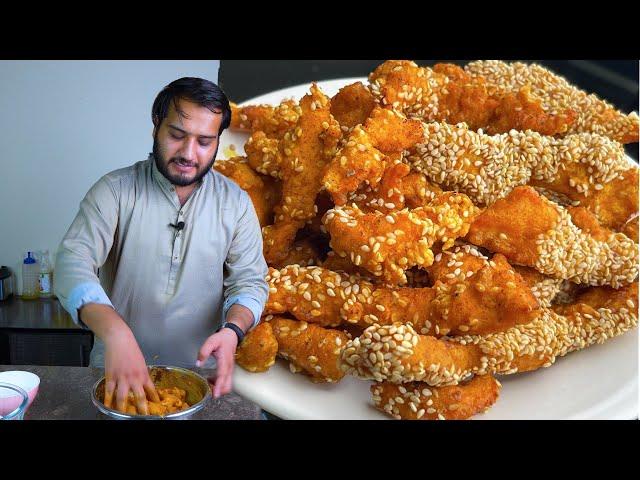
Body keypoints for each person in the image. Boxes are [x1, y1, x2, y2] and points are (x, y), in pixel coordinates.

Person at [54, 77, 268, 414]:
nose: (188, 153)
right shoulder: (114, 191)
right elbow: (72, 263)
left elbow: (250, 283)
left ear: (217, 141)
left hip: (201, 381)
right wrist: (115, 332)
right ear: (156, 125)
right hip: (113, 373)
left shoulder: (236, 203)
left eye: (204, 142)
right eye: (177, 135)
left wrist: (233, 331)